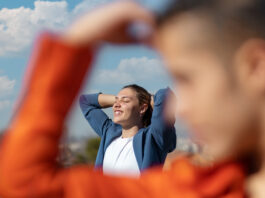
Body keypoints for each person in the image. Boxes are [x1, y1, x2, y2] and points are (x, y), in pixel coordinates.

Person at [0, 0, 264, 197]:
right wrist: (77, 40)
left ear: (255, 66)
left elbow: (163, 98)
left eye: (188, 79)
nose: (180, 109)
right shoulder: (200, 187)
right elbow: (24, 183)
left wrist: (145, 96)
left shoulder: (155, 140)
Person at [79, 84, 176, 176]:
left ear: (142, 108)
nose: (116, 105)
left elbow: (165, 96)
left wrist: (146, 99)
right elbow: (85, 101)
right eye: (115, 102)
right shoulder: (108, 132)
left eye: (125, 101)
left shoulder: (153, 138)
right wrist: (119, 100)